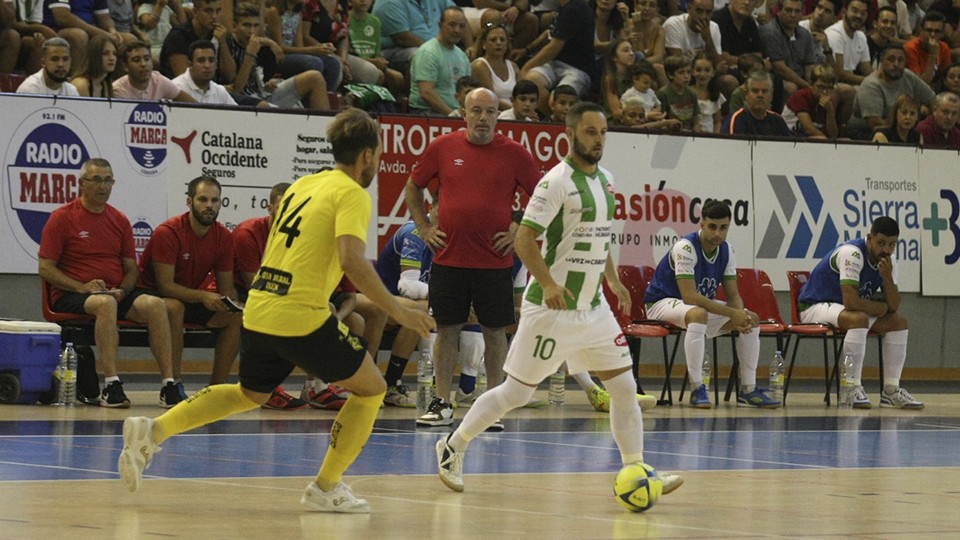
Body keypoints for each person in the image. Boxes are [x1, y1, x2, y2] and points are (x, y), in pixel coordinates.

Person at [118, 108, 436, 514]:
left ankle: (153, 431)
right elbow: (352, 260)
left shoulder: (304, 185)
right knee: (372, 389)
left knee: (250, 393)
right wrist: (400, 310)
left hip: (261, 308)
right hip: (299, 313)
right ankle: (326, 486)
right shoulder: (352, 192)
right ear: (369, 156)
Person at [434, 101, 683, 499]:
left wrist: (614, 281)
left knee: (624, 388)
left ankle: (637, 468)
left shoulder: (607, 181)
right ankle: (453, 445)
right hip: (550, 310)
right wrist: (548, 283)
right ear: (570, 134)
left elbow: (600, 238)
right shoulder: (555, 183)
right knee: (516, 394)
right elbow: (523, 240)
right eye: (590, 132)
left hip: (593, 308)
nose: (599, 140)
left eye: (603, 133)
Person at [404, 87, 541, 427]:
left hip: (494, 262)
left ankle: (492, 406)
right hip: (448, 259)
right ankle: (441, 402)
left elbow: (542, 196)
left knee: (495, 332)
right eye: (476, 110)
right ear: (463, 113)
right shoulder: (442, 148)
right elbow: (413, 186)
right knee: (447, 329)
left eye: (490, 111)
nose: (483, 118)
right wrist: (422, 227)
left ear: (498, 115)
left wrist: (517, 232)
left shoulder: (515, 154)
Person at [38, 158, 180, 408]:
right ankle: (112, 384)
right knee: (105, 304)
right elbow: (45, 268)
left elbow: (130, 269)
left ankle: (169, 384)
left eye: (108, 180)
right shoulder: (62, 218)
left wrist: (123, 290)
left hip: (114, 293)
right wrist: (81, 287)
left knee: (156, 304)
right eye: (96, 180)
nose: (103, 186)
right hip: (73, 294)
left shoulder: (120, 220)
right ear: (82, 183)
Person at [645, 199, 782, 409]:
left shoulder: (727, 251)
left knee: (751, 319)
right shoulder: (686, 247)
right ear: (702, 224)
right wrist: (731, 313)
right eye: (712, 227)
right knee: (698, 313)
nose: (717, 233)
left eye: (723, 228)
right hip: (661, 303)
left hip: (695, 308)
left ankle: (748, 390)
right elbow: (689, 296)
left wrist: (739, 316)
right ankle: (697, 388)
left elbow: (733, 295)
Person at [798, 216, 924, 410]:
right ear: (870, 238)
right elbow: (851, 301)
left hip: (846, 311)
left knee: (898, 322)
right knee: (859, 319)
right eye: (881, 243)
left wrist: (887, 279)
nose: (886, 250)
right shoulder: (852, 253)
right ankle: (851, 387)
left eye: (892, 245)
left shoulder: (888, 262)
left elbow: (894, 305)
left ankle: (891, 391)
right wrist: (879, 308)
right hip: (814, 306)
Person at [137, 176, 243, 388]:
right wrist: (204, 296)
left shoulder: (222, 236)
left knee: (237, 318)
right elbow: (165, 286)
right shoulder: (168, 233)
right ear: (189, 202)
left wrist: (235, 304)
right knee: (175, 308)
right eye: (203, 200)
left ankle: (216, 387)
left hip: (190, 297)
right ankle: (173, 384)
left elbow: (226, 287)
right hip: (152, 296)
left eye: (215, 201)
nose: (209, 206)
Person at [226, 2, 331, 110]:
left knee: (315, 77)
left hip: (263, 95)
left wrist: (270, 83)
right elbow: (235, 90)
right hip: (244, 102)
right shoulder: (227, 45)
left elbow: (267, 80)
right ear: (234, 26)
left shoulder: (262, 48)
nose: (252, 31)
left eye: (256, 26)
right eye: (246, 25)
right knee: (314, 63)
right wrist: (250, 55)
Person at [520, 0, 596, 114]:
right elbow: (550, 35)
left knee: (561, 99)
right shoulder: (564, 9)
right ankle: (550, 119)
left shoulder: (575, 8)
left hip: (578, 69)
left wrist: (527, 66)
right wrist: (526, 49)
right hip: (554, 64)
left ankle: (558, 124)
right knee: (532, 81)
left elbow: (554, 47)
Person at [847, 43, 936, 139]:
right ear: (882, 60)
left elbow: (934, 102)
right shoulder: (871, 84)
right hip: (866, 133)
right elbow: (874, 123)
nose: (896, 64)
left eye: (900, 60)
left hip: (902, 129)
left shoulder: (908, 76)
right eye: (891, 59)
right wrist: (905, 128)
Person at [408, 6, 471, 115]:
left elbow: (468, 90)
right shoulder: (428, 52)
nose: (457, 30)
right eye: (452, 25)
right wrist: (452, 115)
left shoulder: (462, 56)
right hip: (427, 112)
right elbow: (426, 92)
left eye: (461, 26)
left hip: (456, 112)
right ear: (440, 25)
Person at [112, 40, 197, 101]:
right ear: (125, 66)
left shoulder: (158, 80)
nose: (143, 64)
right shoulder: (117, 90)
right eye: (136, 60)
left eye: (147, 59)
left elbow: (193, 104)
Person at [721, 70, 791, 136]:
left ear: (771, 96)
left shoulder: (778, 122)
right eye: (755, 91)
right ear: (746, 95)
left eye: (765, 91)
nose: (760, 95)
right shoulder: (735, 121)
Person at [471, 20, 520, 111]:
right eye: (493, 40)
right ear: (484, 44)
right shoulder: (479, 66)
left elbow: (522, 96)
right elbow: (490, 98)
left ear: (507, 45)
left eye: (502, 40)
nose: (498, 43)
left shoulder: (514, 67)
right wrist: (516, 111)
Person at [782, 64, 840, 138]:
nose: (825, 92)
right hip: (790, 136)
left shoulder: (828, 102)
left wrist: (830, 112)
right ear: (811, 84)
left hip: (810, 139)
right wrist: (826, 143)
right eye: (821, 87)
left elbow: (833, 135)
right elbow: (808, 129)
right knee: (820, 138)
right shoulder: (801, 96)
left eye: (829, 88)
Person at [172, 39, 238, 104]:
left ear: (216, 65)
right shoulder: (175, 88)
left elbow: (237, 114)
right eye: (201, 61)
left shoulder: (220, 91)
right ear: (190, 65)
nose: (207, 65)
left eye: (211, 60)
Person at [824, 0, 872, 85]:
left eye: (863, 13)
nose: (859, 16)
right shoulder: (835, 33)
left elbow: (867, 71)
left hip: (851, 83)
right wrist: (871, 82)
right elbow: (840, 74)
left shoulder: (861, 36)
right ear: (844, 11)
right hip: (830, 83)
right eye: (855, 11)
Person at [662, 0, 722, 67]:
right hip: (681, 73)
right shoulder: (673, 24)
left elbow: (718, 64)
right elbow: (677, 65)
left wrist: (708, 39)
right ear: (689, 9)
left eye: (708, 12)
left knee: (727, 77)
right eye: (699, 11)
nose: (703, 16)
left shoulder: (714, 27)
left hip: (704, 73)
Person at [905, 11, 951, 85]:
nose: (932, 35)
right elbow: (919, 86)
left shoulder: (944, 48)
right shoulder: (911, 48)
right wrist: (932, 55)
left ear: (942, 34)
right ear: (921, 31)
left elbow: (947, 78)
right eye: (929, 30)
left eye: (937, 31)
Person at [657, 54, 700, 131]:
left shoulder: (692, 94)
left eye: (688, 72)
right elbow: (660, 121)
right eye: (681, 73)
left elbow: (696, 122)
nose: (686, 76)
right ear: (670, 75)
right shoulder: (663, 93)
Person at [70, 33, 116, 97]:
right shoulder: (80, 84)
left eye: (114, 53)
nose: (112, 58)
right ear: (94, 56)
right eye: (105, 53)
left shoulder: (106, 85)